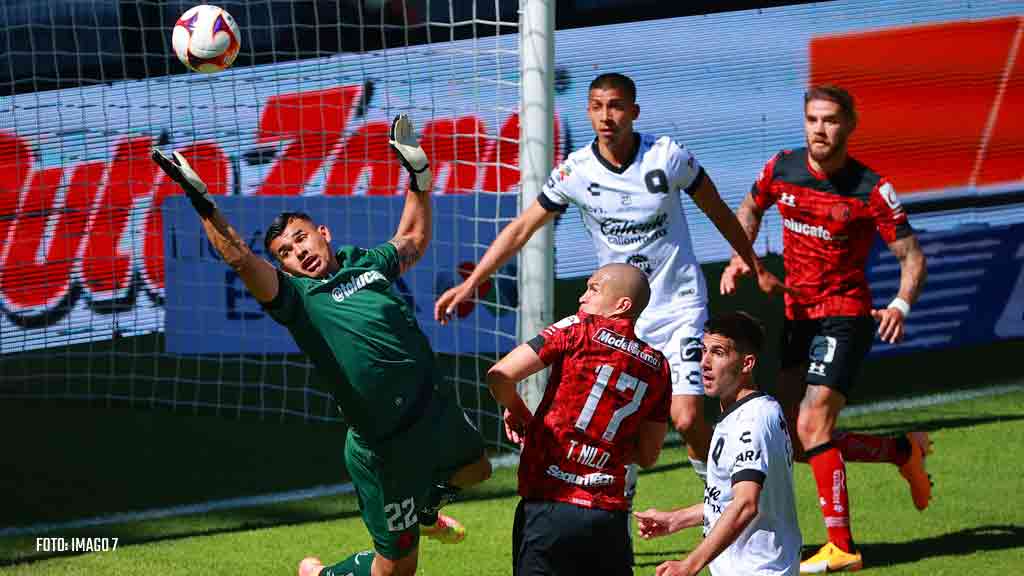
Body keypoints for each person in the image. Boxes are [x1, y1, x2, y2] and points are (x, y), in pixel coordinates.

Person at [151, 114, 492, 576]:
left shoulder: (363, 264)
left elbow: (412, 239)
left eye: (300, 238)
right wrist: (202, 201)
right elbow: (238, 258)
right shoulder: (296, 299)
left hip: (431, 411)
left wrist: (419, 178)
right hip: (383, 446)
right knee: (396, 572)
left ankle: (423, 506)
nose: (298, 252)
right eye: (286, 254)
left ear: (323, 233)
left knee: (477, 470)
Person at [436, 72, 785, 487]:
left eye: (616, 106)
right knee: (619, 426)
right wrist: (473, 281)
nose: (607, 116)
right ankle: (619, 521)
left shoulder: (668, 156)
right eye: (598, 107)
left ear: (634, 112)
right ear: (588, 112)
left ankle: (722, 504)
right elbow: (521, 228)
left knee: (687, 418)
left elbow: (718, 211)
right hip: (621, 320)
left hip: (680, 306)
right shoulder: (576, 172)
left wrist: (754, 265)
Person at [720, 85, 931, 573]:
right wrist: (741, 256)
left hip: (846, 313)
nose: (820, 129)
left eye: (831, 120)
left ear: (850, 125)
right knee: (797, 440)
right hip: (797, 313)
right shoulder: (781, 168)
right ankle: (902, 450)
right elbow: (750, 208)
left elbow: (912, 258)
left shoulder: (871, 189)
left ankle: (842, 548)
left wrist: (900, 303)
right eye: (813, 119)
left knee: (812, 423)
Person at [486, 263, 673, 576]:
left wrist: (519, 411)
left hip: (550, 505)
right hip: (608, 517)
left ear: (622, 305)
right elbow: (648, 455)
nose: (582, 297)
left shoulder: (578, 328)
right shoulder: (659, 367)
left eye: (594, 289)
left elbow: (499, 375)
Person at [635, 311, 801, 576]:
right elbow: (730, 500)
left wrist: (689, 565)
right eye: (704, 351)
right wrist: (676, 519)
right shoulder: (746, 412)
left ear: (747, 363)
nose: (704, 363)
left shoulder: (751, 421)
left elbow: (746, 504)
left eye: (719, 353)